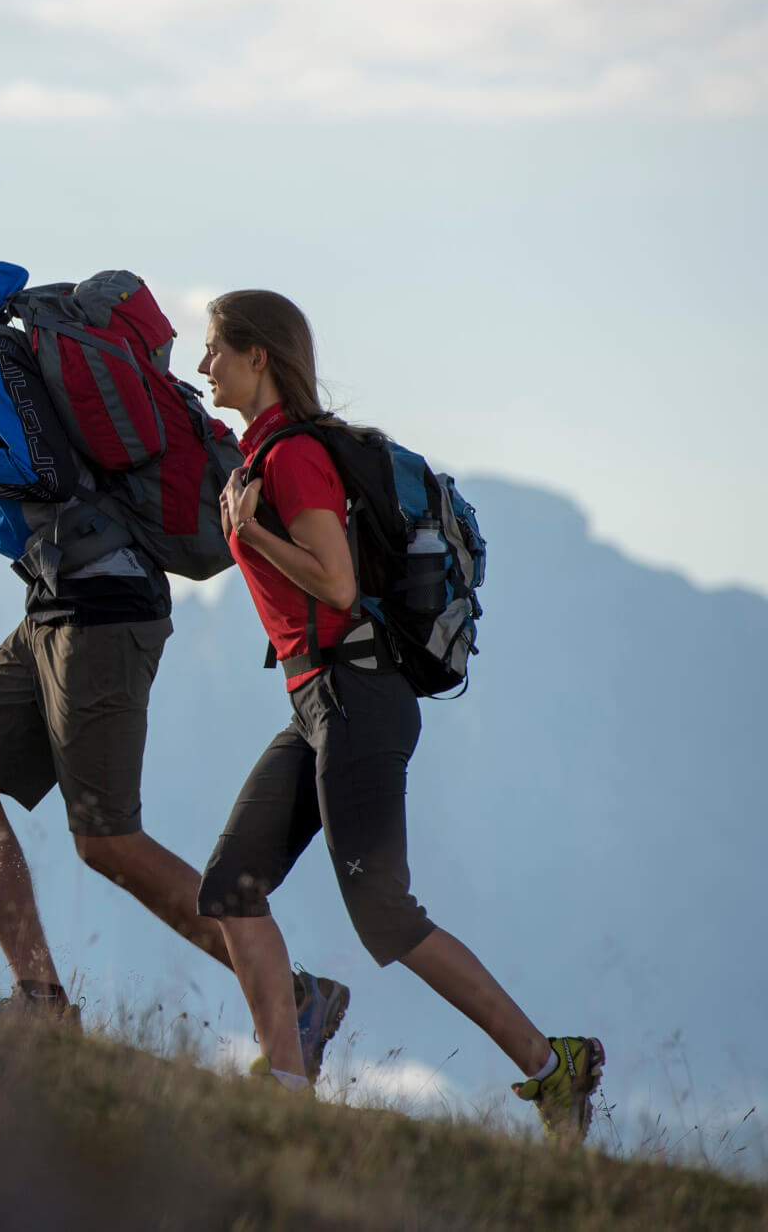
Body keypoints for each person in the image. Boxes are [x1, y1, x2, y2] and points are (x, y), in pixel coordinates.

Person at [0, 215, 347, 1076]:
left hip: (102, 605)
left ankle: (293, 997)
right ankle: (41, 1003)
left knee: (106, 838)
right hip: (55, 602)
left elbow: (47, 471)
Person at [193, 287, 605, 1131]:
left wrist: (256, 531)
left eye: (214, 349)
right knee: (231, 888)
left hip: (356, 697)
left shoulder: (292, 459)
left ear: (258, 355)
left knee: (383, 911)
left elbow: (337, 585)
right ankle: (285, 1087)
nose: (204, 365)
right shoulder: (260, 454)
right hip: (318, 701)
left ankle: (549, 1064)